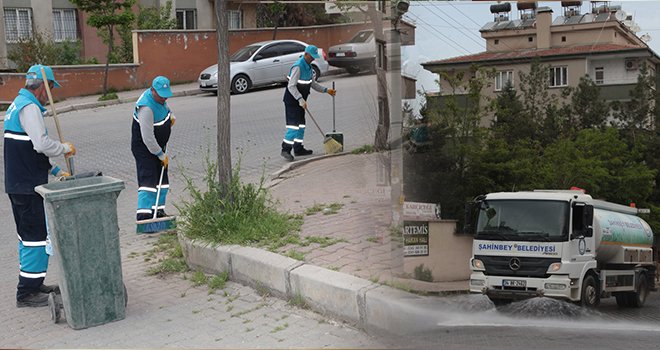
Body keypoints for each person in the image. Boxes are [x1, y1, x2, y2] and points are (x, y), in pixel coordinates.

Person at [3, 64, 76, 307]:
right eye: (51, 87)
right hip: (27, 186)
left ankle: (35, 283)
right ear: (43, 87)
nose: (52, 93)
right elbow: (41, 144)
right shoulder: (30, 107)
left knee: (29, 236)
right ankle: (27, 293)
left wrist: (55, 170)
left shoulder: (18, 105)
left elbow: (28, 149)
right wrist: (64, 148)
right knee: (34, 237)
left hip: (21, 183)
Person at [131, 76, 176, 225]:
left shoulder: (160, 99)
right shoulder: (146, 108)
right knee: (148, 181)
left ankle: (158, 211)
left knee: (162, 181)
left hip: (158, 147)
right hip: (145, 148)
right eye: (161, 96)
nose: (164, 99)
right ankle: (144, 217)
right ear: (153, 91)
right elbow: (148, 138)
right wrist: (159, 154)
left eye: (166, 96)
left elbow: (165, 108)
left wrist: (171, 116)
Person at [280, 45, 336, 161]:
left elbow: (313, 84)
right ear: (306, 54)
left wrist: (326, 90)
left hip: (301, 101)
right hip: (292, 101)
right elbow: (291, 86)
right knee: (293, 126)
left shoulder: (309, 68)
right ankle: (285, 150)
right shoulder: (298, 67)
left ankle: (298, 148)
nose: (313, 59)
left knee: (301, 125)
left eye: (314, 57)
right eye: (312, 56)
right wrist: (300, 99)